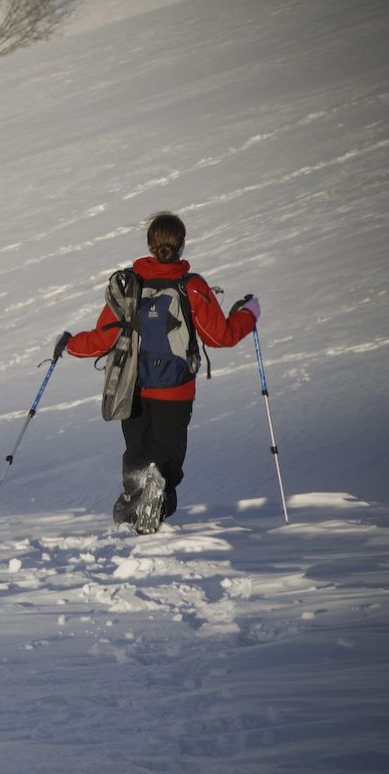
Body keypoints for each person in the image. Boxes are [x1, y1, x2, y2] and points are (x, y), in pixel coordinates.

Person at [55, 212, 258, 534]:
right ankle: (156, 499)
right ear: (181, 243)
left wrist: (69, 345)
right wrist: (249, 314)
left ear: (150, 244)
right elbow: (221, 336)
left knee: (137, 451)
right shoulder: (191, 286)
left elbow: (105, 337)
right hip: (175, 391)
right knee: (166, 459)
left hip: (132, 386)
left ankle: (133, 501)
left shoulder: (129, 284)